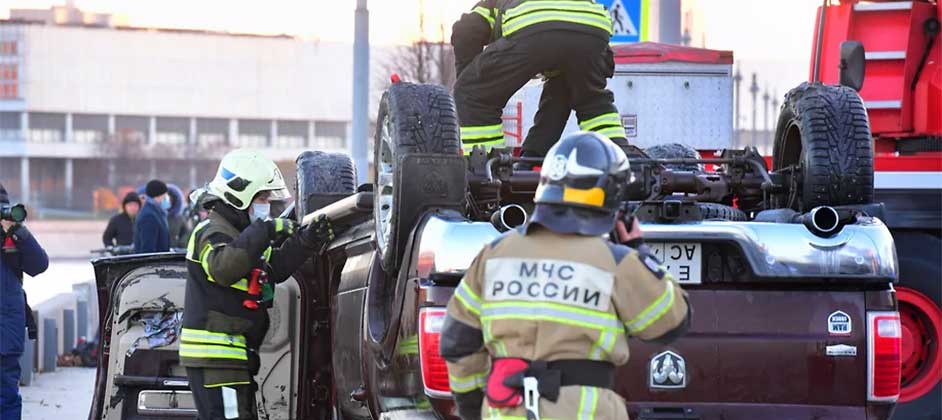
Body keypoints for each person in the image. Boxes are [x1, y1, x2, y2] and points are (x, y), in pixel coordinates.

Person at [439, 132, 691, 420]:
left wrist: (476, 409)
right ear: (611, 197)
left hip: (505, 408)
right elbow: (672, 322)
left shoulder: (494, 255)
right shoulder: (616, 262)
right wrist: (639, 250)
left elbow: (457, 343)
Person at [180, 149, 335, 420]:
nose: (266, 205)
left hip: (231, 357)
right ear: (240, 196)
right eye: (262, 198)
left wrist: (307, 241)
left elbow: (274, 268)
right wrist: (265, 231)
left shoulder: (241, 238)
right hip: (216, 357)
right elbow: (223, 267)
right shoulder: (211, 233)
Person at [451, 0, 634, 160]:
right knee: (592, 103)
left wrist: (469, 82)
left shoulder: (491, 4)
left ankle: (487, 170)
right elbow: (557, 102)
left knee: (473, 96)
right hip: (593, 28)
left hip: (535, 24)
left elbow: (464, 31)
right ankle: (620, 161)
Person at [0, 182, 49, 420]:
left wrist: (18, 232)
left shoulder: (13, 236)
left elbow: (39, 265)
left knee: (7, 397)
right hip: (7, 329)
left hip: (6, 333)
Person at [134, 179, 171, 253]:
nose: (167, 199)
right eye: (165, 195)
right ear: (158, 195)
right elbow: (148, 248)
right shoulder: (149, 216)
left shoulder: (157, 212)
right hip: (153, 263)